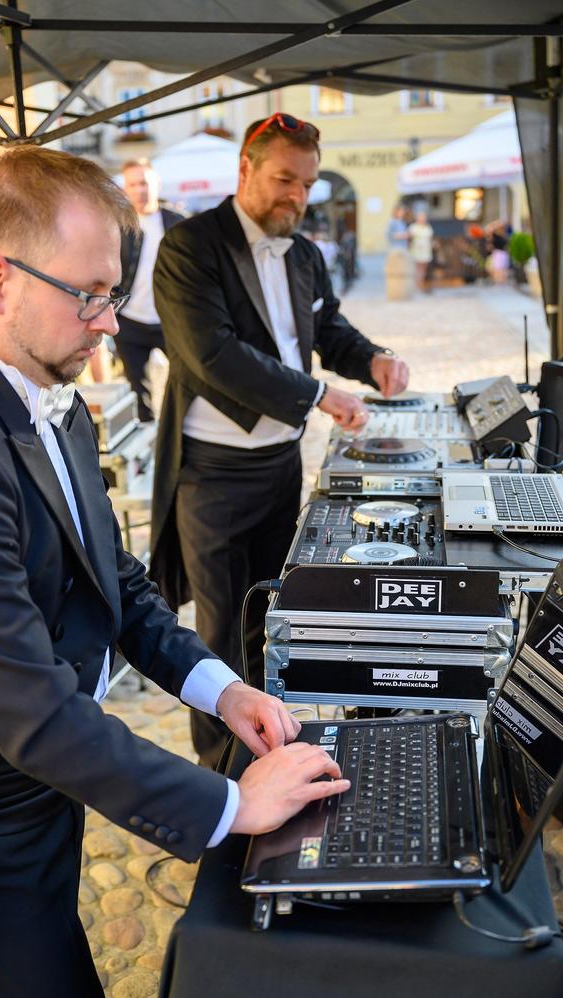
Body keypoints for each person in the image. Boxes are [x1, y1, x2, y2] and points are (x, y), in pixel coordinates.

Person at [0, 146, 351, 998]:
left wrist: (224, 691)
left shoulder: (54, 396)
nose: (111, 321)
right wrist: (230, 808)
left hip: (54, 775)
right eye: (91, 295)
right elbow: (29, 710)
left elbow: (124, 591)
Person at [150, 113, 409, 768]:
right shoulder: (189, 246)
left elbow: (329, 331)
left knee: (270, 615)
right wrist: (319, 395)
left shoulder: (305, 253)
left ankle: (268, 754)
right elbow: (213, 355)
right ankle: (221, 779)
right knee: (219, 637)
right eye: (283, 180)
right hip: (211, 474)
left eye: (307, 184)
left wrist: (372, 358)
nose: (297, 197)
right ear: (245, 168)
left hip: (281, 463)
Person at [114, 158, 183, 420]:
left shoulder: (177, 224)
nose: (139, 190)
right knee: (137, 390)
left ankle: (177, 433)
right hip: (130, 320)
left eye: (144, 183)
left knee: (184, 382)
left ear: (156, 184)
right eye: (132, 184)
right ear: (125, 189)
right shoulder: (119, 226)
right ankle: (146, 445)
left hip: (170, 320)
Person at [408, 209, 434, 291]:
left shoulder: (427, 227)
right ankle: (415, 284)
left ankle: (420, 283)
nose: (422, 219)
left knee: (423, 268)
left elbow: (430, 238)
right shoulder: (413, 227)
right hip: (417, 249)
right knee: (416, 267)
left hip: (426, 249)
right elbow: (409, 238)